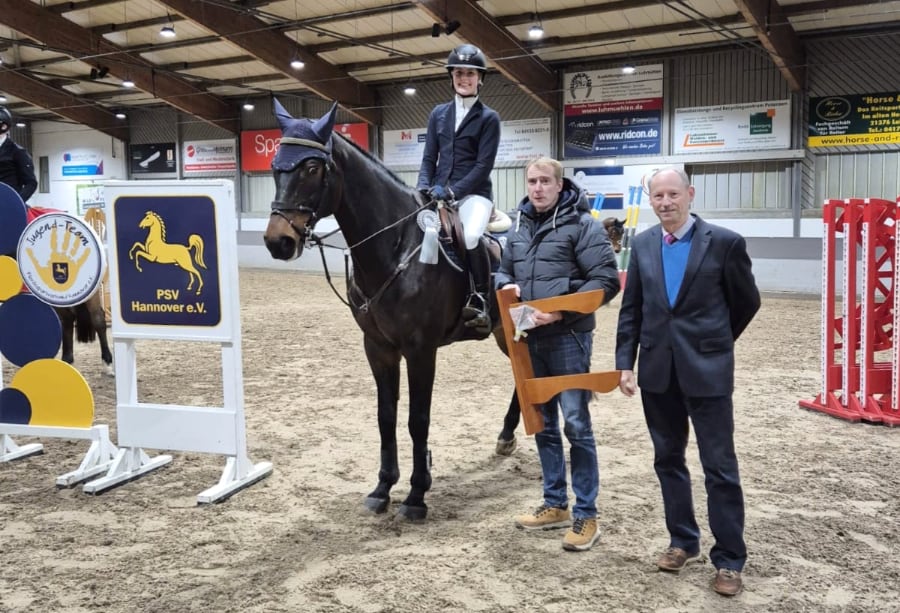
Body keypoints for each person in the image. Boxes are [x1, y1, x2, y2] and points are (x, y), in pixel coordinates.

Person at [614, 167, 760, 596]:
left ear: (690, 194)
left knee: (720, 467)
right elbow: (632, 310)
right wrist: (627, 362)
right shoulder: (641, 245)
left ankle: (730, 559)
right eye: (657, 195)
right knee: (668, 461)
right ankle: (682, 540)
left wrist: (715, 341)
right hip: (658, 373)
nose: (665, 202)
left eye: (673, 194)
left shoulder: (726, 243)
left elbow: (746, 302)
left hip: (708, 373)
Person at [496, 156, 620, 552]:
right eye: (532, 181)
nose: (537, 188)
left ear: (559, 184)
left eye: (545, 181)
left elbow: (605, 281)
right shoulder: (517, 228)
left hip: (569, 337)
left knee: (577, 425)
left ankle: (586, 513)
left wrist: (559, 309)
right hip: (529, 337)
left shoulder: (582, 226)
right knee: (542, 424)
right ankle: (555, 504)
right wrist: (507, 287)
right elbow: (503, 271)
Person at [416, 44, 500, 334]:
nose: (464, 78)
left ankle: (480, 300)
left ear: (480, 78)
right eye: (459, 73)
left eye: (470, 74)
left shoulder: (489, 118)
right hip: (437, 192)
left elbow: (483, 167)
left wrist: (452, 192)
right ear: (452, 76)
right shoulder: (438, 114)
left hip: (474, 195)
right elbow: (429, 158)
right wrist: (423, 188)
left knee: (473, 235)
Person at [0, 106, 38, 208]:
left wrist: (16, 202)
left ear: (3, 126)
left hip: (8, 206)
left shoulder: (18, 152)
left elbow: (31, 183)